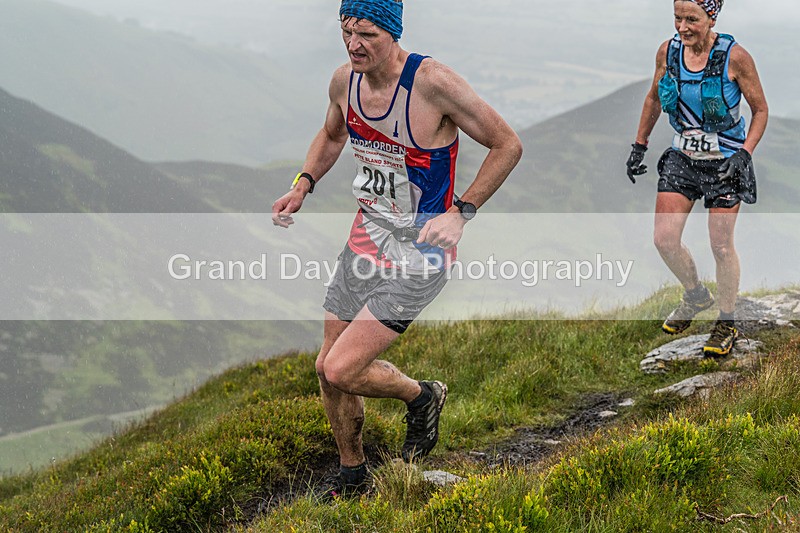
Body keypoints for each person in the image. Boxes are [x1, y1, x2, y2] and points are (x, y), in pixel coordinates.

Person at [271, 0, 522, 500]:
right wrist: (303, 183)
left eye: (366, 34)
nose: (354, 44)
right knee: (326, 367)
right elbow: (331, 133)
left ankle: (422, 395)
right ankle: (352, 473)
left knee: (344, 368)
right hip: (367, 235)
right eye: (346, 31)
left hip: (421, 253)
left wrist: (461, 211)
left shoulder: (433, 84)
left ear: (392, 32)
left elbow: (507, 144)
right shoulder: (345, 82)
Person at [627, 0, 768, 357]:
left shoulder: (735, 57)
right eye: (677, 18)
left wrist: (744, 153)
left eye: (692, 19)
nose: (682, 27)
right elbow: (653, 100)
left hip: (726, 161)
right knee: (664, 239)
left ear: (711, 18)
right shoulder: (668, 52)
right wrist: (639, 145)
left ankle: (726, 321)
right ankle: (695, 294)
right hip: (683, 157)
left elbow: (761, 110)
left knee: (721, 247)